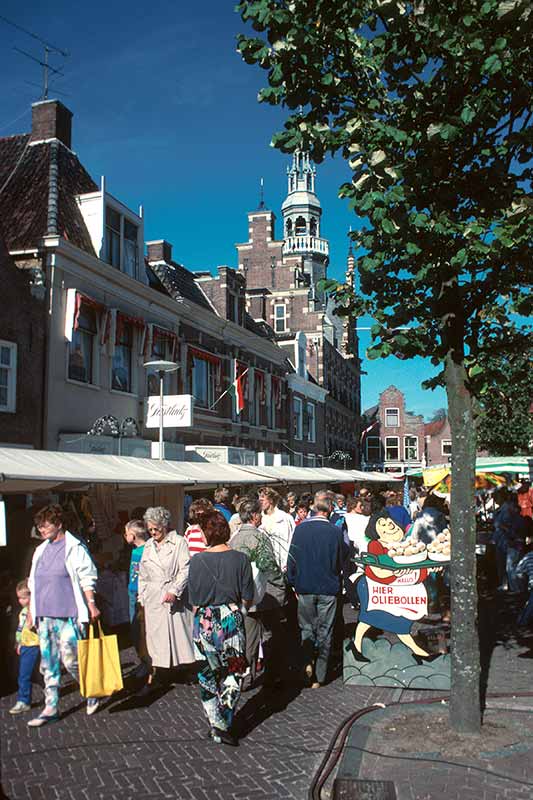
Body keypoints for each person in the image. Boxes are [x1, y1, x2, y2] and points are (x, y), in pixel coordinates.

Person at [27, 504, 101, 727]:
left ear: (58, 524)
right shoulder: (40, 550)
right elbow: (33, 582)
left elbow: (87, 576)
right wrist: (31, 613)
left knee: (71, 659)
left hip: (68, 614)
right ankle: (51, 706)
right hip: (45, 615)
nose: (41, 529)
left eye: (45, 524)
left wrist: (91, 604)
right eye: (39, 526)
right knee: (48, 663)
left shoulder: (74, 547)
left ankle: (90, 690)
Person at [188, 511, 254, 746]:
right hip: (231, 620)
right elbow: (248, 596)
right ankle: (224, 722)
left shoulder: (196, 561)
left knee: (207, 674)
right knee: (234, 671)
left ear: (206, 533)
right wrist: (237, 610)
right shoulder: (241, 559)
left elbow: (194, 599)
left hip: (204, 620)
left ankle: (217, 724)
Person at [351, 510, 438, 659]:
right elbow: (377, 570)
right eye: (383, 525)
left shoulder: (405, 545)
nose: (389, 526)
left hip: (397, 591)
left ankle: (419, 653)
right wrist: (393, 573)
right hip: (374, 589)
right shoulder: (375, 545)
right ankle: (356, 648)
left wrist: (429, 568)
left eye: (390, 522)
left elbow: (415, 569)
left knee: (401, 622)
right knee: (369, 618)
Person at [287, 496, 348, 688]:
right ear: (329, 510)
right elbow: (342, 560)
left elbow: (292, 558)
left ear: (314, 509)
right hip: (328, 588)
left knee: (306, 629)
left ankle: (307, 665)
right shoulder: (335, 531)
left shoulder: (300, 529)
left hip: (305, 586)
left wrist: (293, 581)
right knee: (325, 631)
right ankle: (320, 676)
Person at [230, 498, 288, 688]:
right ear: (254, 516)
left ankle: (245, 674)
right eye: (259, 514)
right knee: (268, 635)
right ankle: (268, 674)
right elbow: (269, 566)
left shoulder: (235, 538)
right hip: (262, 595)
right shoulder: (259, 538)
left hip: (242, 596)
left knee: (247, 637)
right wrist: (280, 586)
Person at [138, 507, 195, 689]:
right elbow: (143, 575)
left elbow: (185, 569)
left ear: (165, 526)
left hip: (172, 596)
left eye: (157, 529)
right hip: (154, 597)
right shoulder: (147, 546)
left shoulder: (179, 543)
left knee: (180, 635)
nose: (153, 533)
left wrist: (175, 590)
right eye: (151, 529)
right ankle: (160, 671)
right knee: (156, 638)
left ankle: (187, 668)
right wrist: (142, 596)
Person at [123, 519, 150, 677]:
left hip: (139, 594)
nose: (124, 536)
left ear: (132, 535)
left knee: (139, 630)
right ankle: (143, 661)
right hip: (133, 592)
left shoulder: (145, 551)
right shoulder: (137, 551)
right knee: (136, 629)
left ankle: (146, 662)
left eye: (126, 533)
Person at [9, 580, 40, 715]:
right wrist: (18, 642)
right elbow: (20, 629)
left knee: (28, 674)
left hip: (35, 645)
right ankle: (25, 700)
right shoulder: (22, 612)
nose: (21, 601)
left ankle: (25, 700)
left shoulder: (36, 611)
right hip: (26, 645)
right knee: (28, 674)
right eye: (19, 598)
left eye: (23, 598)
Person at [259, 487, 295, 572]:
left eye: (262, 500)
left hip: (283, 564)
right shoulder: (259, 519)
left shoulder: (285, 518)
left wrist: (287, 563)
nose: (260, 503)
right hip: (265, 566)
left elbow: (291, 540)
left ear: (271, 500)